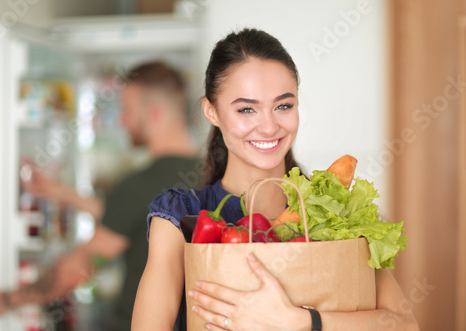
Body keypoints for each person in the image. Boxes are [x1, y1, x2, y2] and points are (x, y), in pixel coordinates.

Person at [131, 29, 419, 330]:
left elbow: (403, 324)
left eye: (283, 106)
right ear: (211, 111)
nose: (269, 127)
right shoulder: (181, 217)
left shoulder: (332, 211)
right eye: (246, 109)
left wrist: (300, 321)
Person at [0, 61, 199, 330]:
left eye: (127, 110)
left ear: (154, 114)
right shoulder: (212, 174)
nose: (122, 119)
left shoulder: (140, 185)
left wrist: (5, 300)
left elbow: (79, 267)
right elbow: (134, 218)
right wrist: (63, 194)